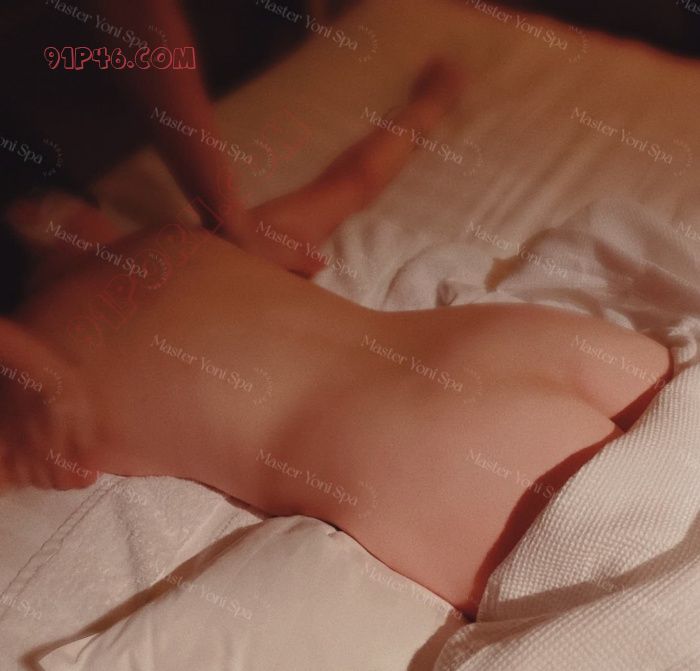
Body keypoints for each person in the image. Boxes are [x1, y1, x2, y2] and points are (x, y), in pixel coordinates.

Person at [0, 60, 671, 620]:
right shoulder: (212, 241)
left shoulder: (53, 392)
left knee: (641, 610)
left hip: (396, 448)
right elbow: (355, 181)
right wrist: (432, 99)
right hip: (484, 346)